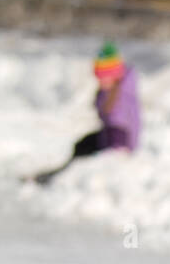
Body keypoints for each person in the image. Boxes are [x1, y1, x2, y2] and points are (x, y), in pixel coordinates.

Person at [33, 42, 141, 185]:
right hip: (107, 136)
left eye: (105, 76)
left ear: (115, 75)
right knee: (81, 145)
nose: (101, 80)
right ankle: (63, 175)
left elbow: (119, 131)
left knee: (84, 150)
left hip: (117, 141)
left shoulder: (121, 98)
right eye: (99, 76)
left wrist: (114, 158)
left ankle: (65, 179)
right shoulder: (108, 92)